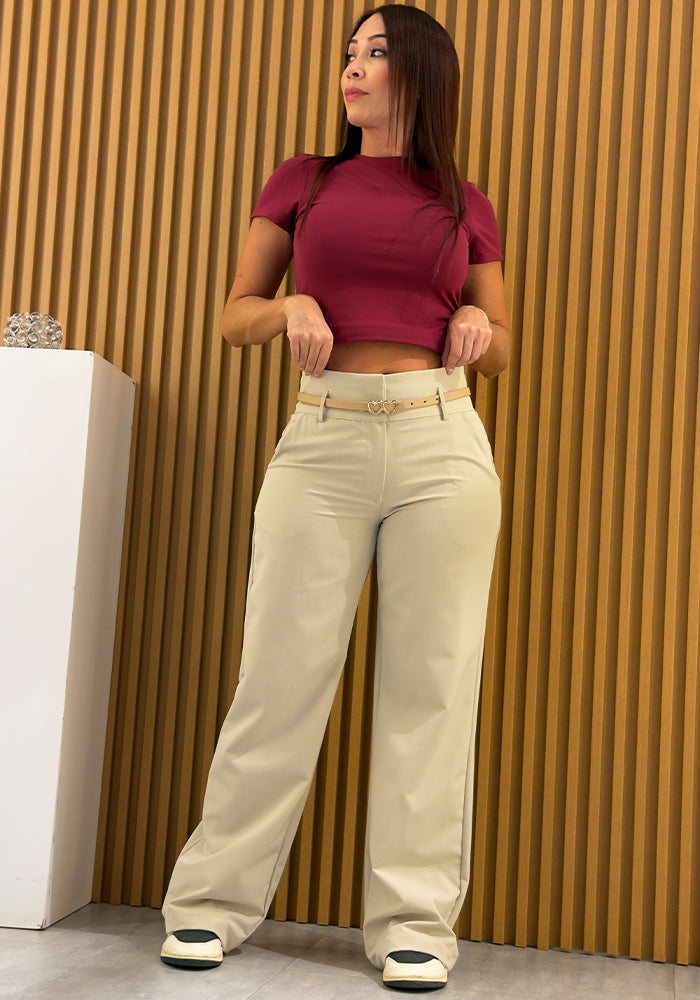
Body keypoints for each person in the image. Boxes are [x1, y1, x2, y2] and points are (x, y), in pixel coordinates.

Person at [160, 4, 510, 991]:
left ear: (423, 74)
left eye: (376, 53)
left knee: (430, 688)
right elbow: (234, 316)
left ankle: (413, 923)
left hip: (441, 436)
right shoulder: (303, 181)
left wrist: (478, 331)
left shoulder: (464, 201)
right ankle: (209, 905)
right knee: (276, 677)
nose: (353, 67)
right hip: (322, 439)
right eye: (349, 52)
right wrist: (289, 308)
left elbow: (504, 342)